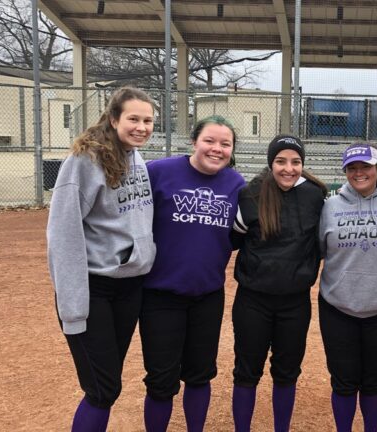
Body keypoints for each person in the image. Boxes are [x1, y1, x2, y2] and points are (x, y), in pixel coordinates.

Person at [47, 87, 157, 431]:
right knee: (102, 389)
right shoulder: (84, 161)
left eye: (148, 120)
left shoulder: (135, 157)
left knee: (106, 385)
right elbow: (63, 235)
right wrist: (73, 307)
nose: (141, 126)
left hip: (128, 288)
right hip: (93, 290)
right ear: (113, 119)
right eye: (133, 119)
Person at [139, 116, 246, 432]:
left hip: (207, 294)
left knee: (200, 375)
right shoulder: (159, 171)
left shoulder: (235, 184)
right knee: (161, 379)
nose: (217, 149)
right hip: (160, 294)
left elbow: (242, 233)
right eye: (209, 141)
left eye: (225, 144)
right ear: (194, 142)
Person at [231, 134, 328, 432]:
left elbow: (322, 244)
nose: (289, 168)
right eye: (281, 161)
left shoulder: (315, 195)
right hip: (253, 300)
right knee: (247, 372)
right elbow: (233, 240)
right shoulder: (251, 193)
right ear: (270, 162)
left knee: (286, 373)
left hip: (295, 302)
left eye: (296, 161)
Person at [318, 143, 377, 432]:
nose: (359, 173)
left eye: (365, 167)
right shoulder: (330, 206)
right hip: (338, 306)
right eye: (352, 168)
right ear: (346, 172)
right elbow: (318, 249)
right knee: (343, 381)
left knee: (374, 380)